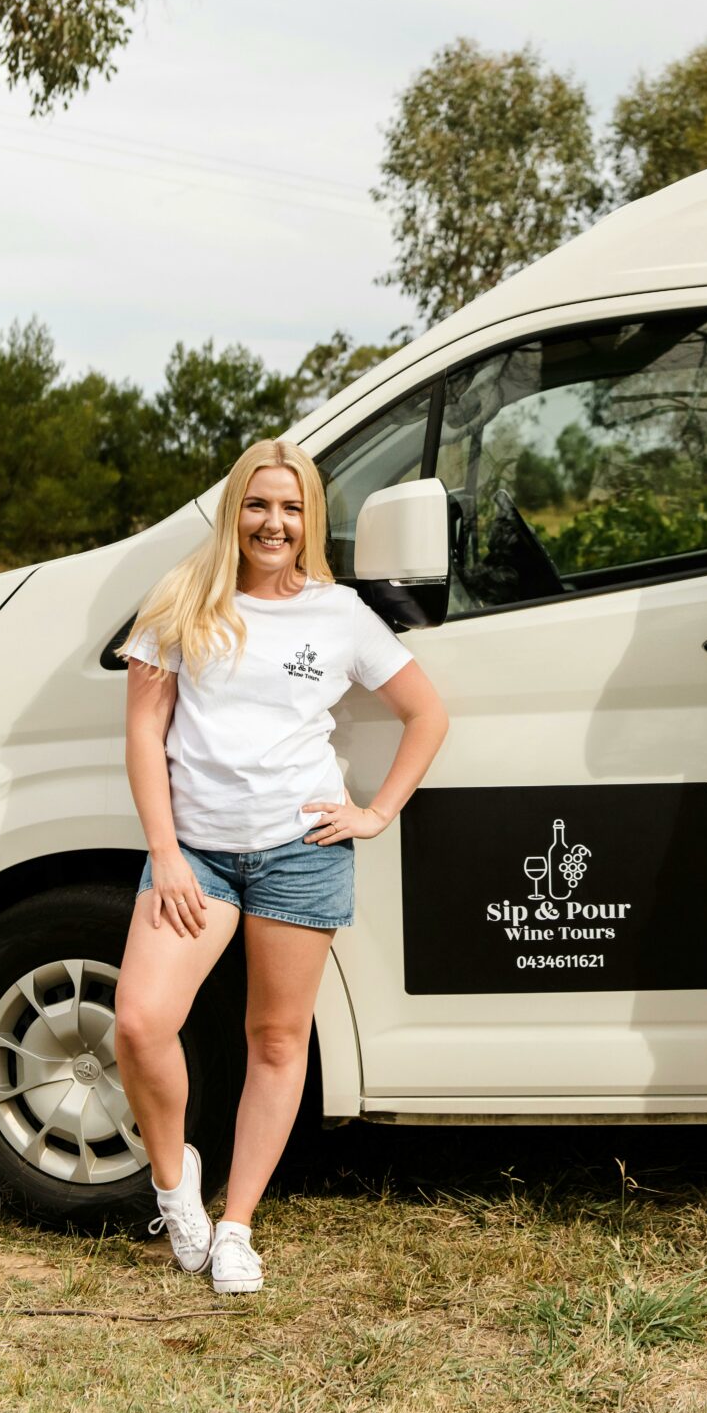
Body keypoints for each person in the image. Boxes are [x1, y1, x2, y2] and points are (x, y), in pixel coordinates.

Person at [113, 438, 447, 1294]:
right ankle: (172, 1182)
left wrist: (374, 813)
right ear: (236, 511)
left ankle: (236, 1227)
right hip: (196, 856)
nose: (274, 522)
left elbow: (426, 715)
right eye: (259, 505)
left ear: (310, 521)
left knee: (276, 1038)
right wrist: (165, 855)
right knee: (142, 1022)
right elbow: (145, 738)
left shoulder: (337, 615)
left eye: (291, 508)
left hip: (300, 852)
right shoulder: (185, 600)